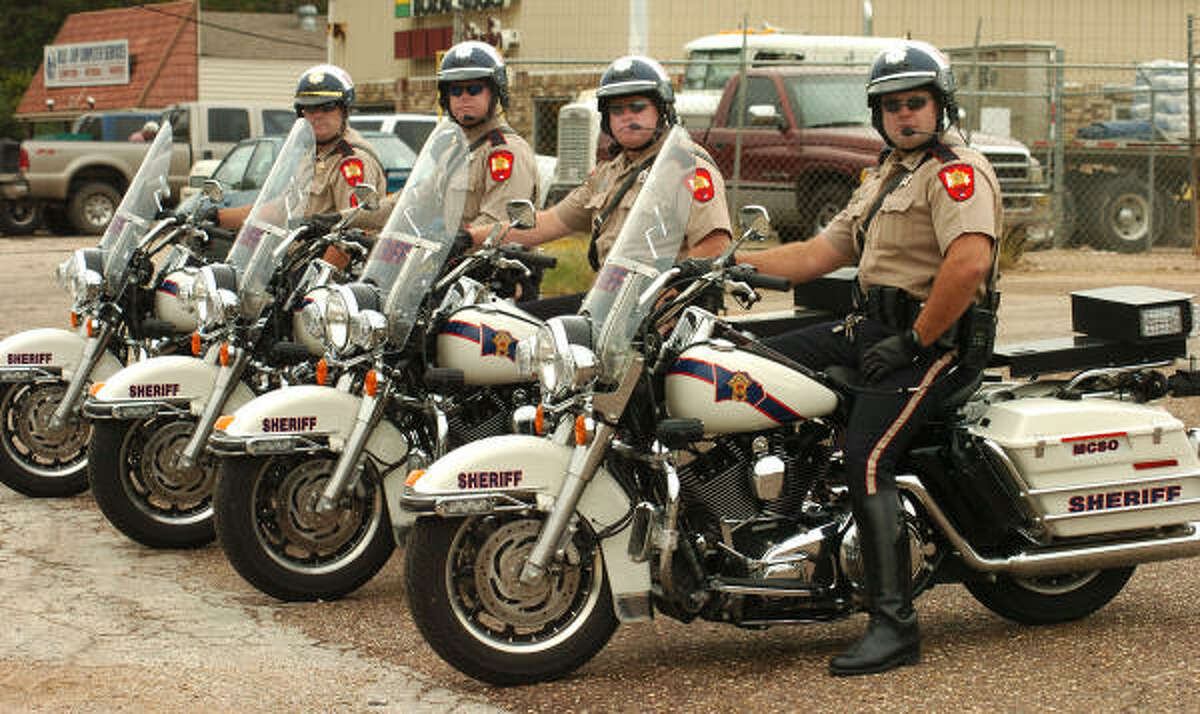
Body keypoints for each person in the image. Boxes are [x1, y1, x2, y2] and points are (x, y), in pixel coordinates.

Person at [737, 40, 1001, 676]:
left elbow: (969, 263)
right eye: (891, 105)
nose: (904, 114)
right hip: (870, 331)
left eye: (916, 102)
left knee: (869, 459)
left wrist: (915, 340)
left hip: (934, 344)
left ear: (941, 105)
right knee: (745, 366)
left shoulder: (956, 172)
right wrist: (723, 265)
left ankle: (894, 626)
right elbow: (816, 254)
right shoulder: (887, 174)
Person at [470, 55, 732, 315]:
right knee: (507, 321)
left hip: (656, 314)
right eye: (617, 110)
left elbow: (715, 245)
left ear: (662, 109)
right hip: (606, 307)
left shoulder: (687, 166)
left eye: (637, 107)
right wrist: (472, 237)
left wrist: (671, 299)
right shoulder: (608, 173)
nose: (627, 117)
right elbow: (549, 222)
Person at [215, 64, 387, 237]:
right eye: (310, 108)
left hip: (325, 254)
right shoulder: (312, 154)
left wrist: (322, 258)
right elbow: (281, 209)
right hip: (295, 251)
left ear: (345, 110)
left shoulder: (352, 161)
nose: (317, 115)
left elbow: (351, 233)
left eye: (327, 107)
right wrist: (218, 217)